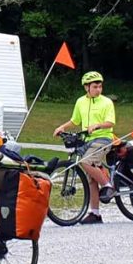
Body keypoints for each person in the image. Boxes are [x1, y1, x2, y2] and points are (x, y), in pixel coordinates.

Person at [53, 70, 116, 225]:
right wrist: (62, 127)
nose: (98, 89)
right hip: (87, 140)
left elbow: (111, 122)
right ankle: (95, 214)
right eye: (95, 87)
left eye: (100, 87)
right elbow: (75, 120)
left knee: (85, 162)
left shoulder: (106, 102)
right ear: (86, 87)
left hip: (103, 138)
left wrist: (97, 125)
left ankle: (108, 186)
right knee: (91, 178)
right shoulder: (80, 101)